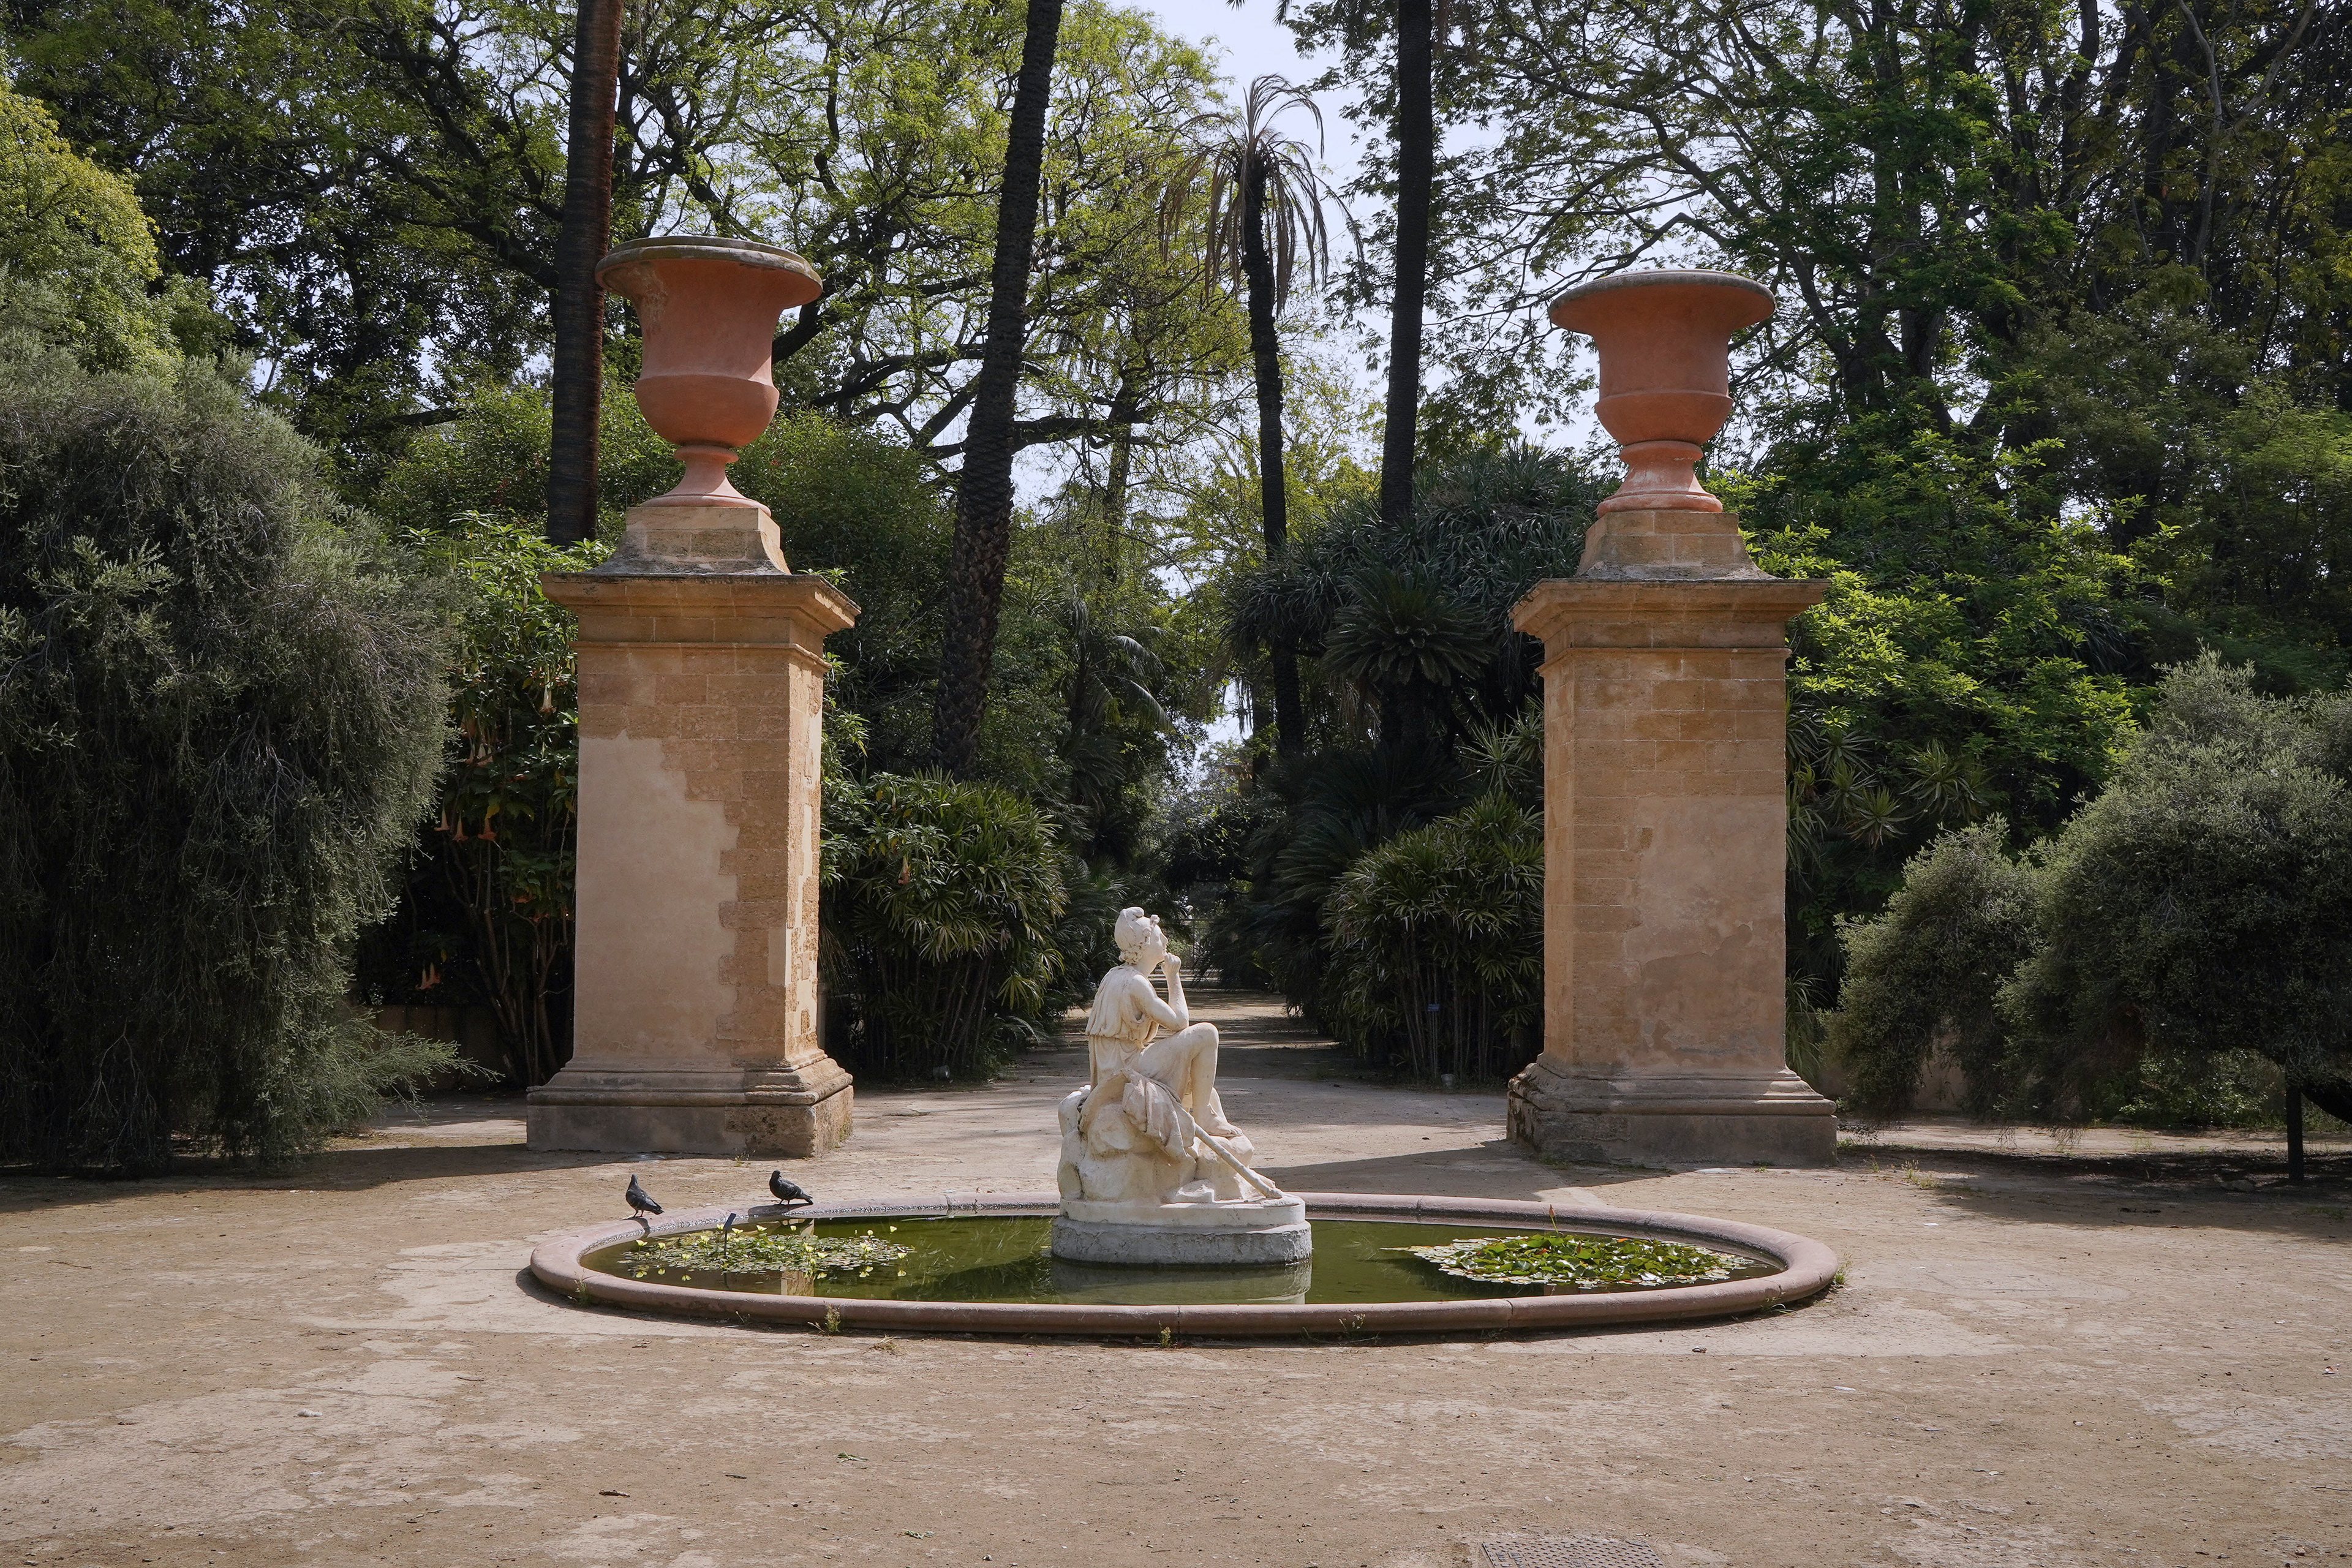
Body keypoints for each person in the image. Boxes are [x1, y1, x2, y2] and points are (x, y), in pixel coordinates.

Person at [1081, 907, 1238, 1139]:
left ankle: (1211, 1119)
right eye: (1158, 936)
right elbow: (1180, 1022)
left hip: (1119, 1068)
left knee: (1206, 1090)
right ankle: (1203, 1117)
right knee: (1207, 1033)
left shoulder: (1115, 975)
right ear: (1143, 945)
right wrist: (1173, 977)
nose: (1165, 940)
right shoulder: (1136, 983)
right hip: (1125, 1073)